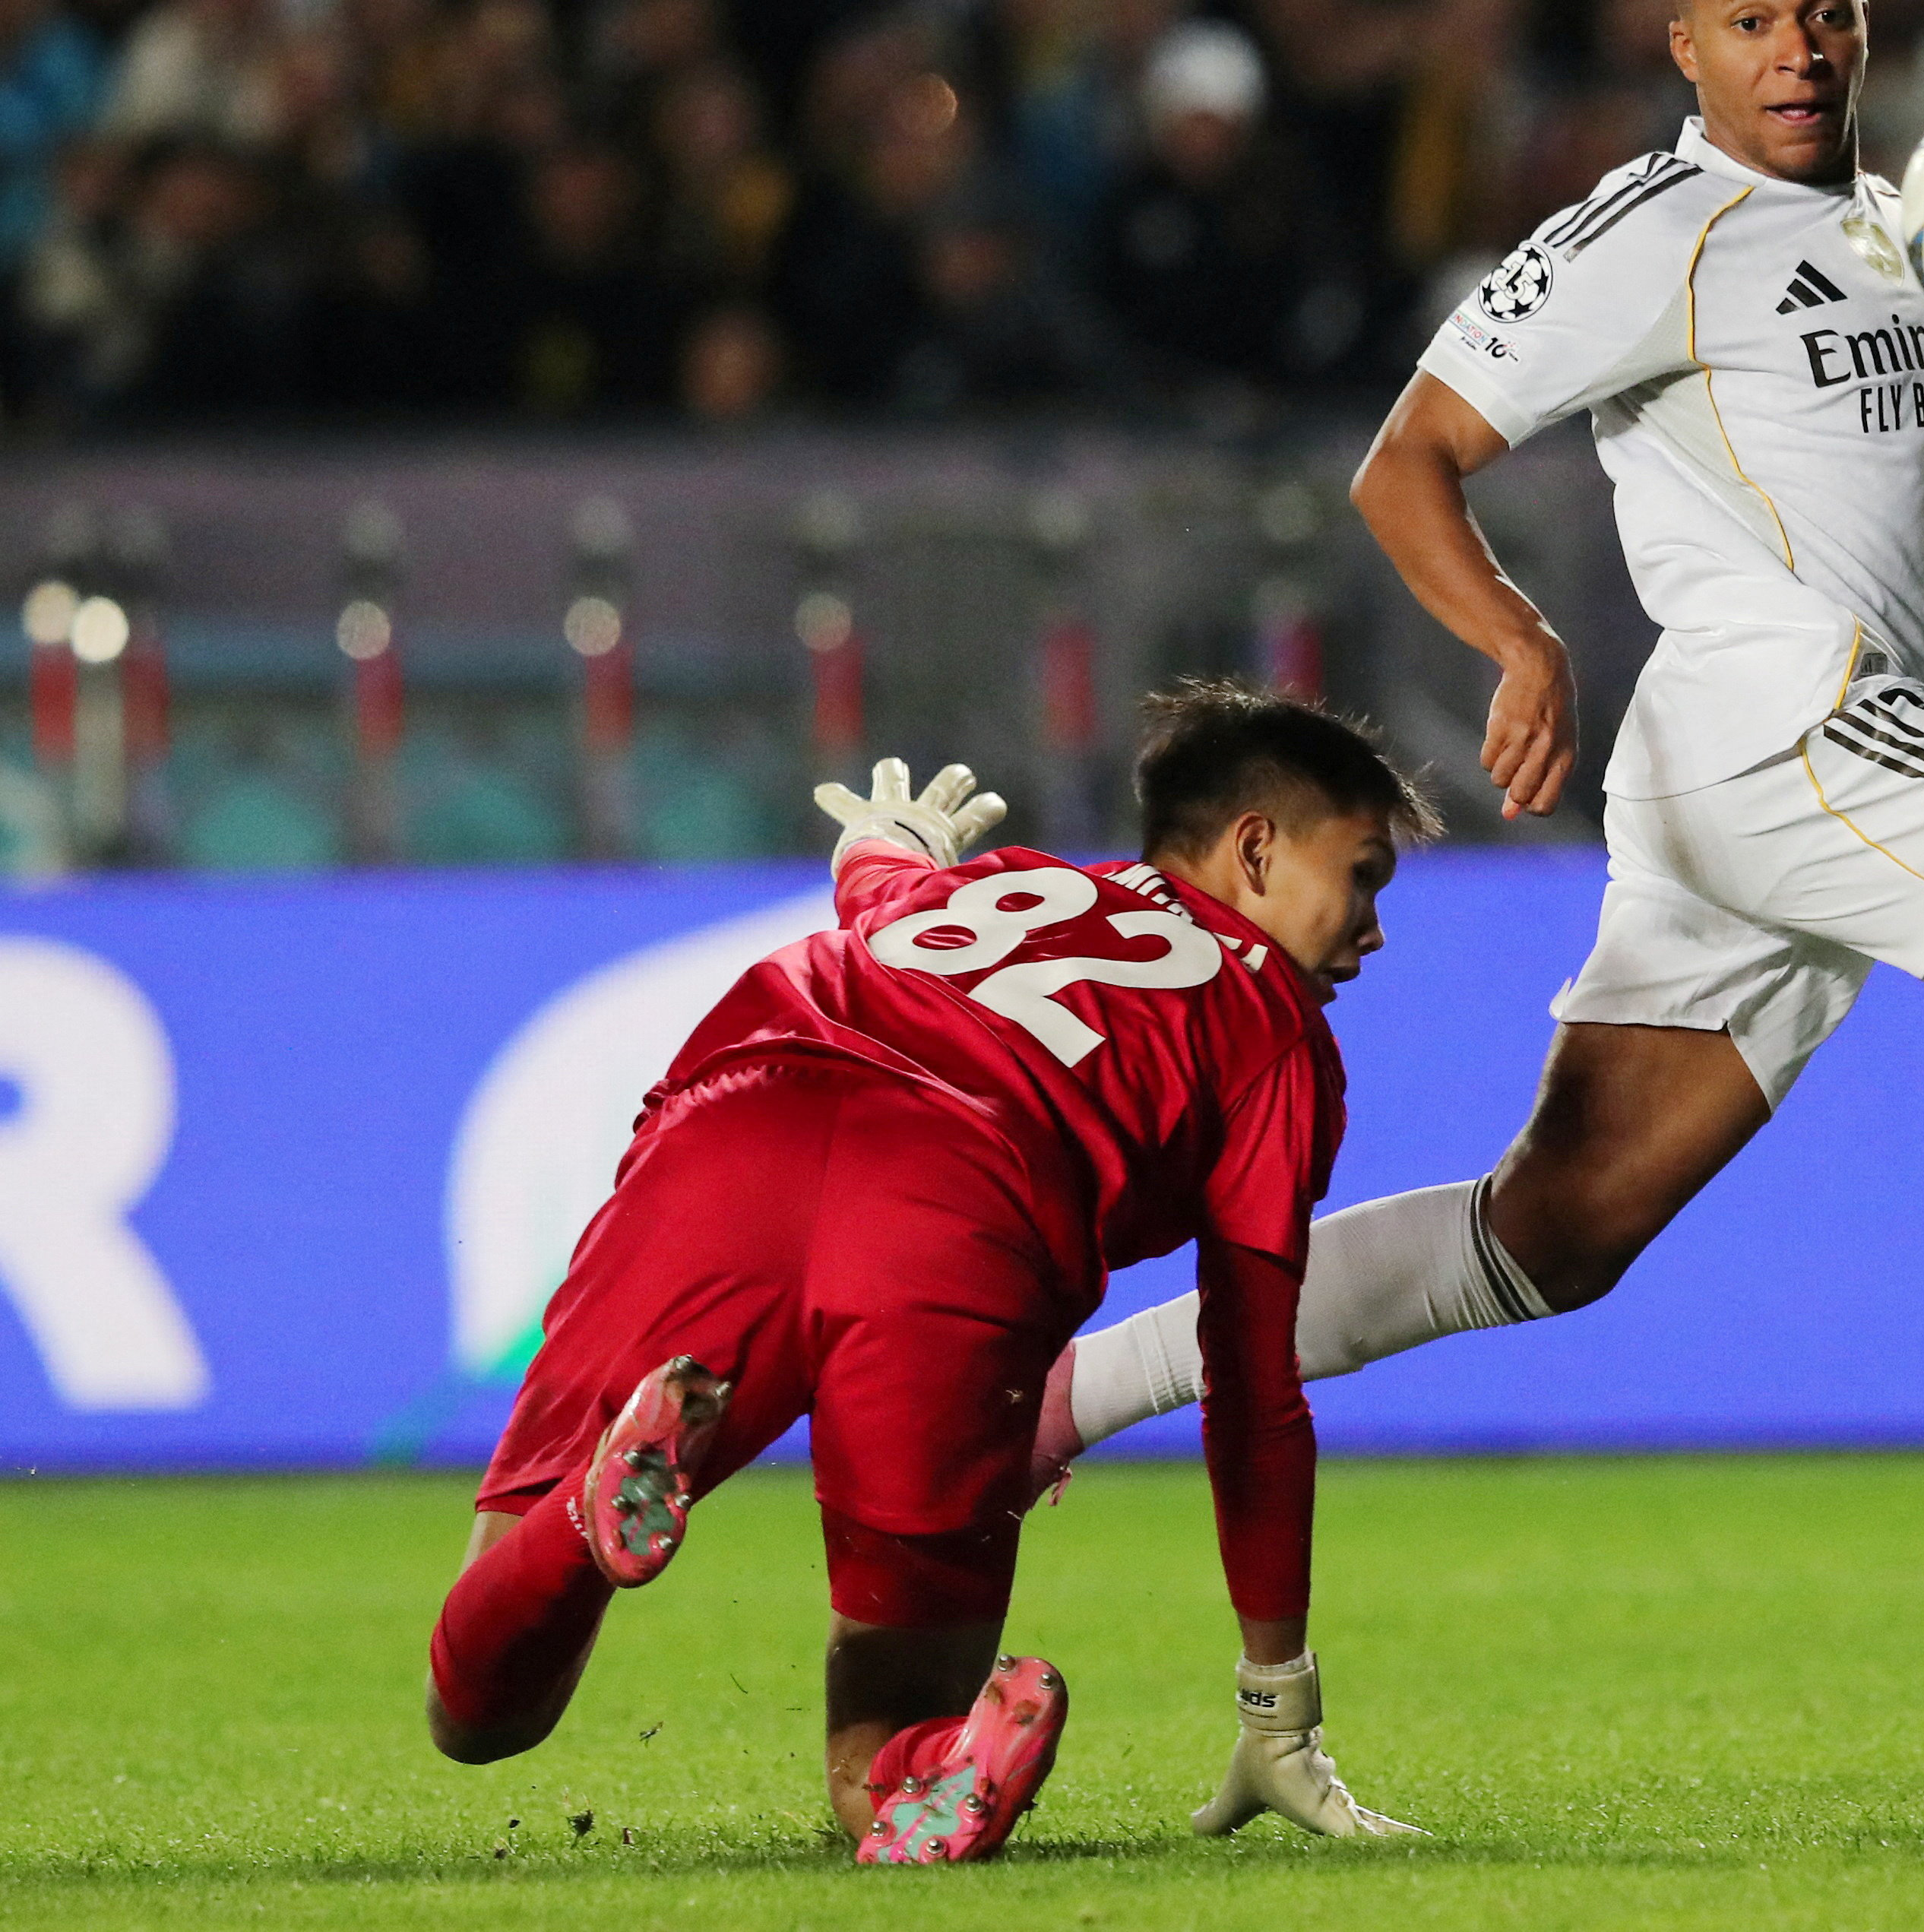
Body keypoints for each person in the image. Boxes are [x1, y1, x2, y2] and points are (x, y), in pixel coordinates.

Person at [1044, 0, 1924, 1601]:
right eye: (1749, 22)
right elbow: (1402, 459)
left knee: (1549, 1233)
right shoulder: (1648, 231)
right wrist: (1518, 637)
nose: (1793, 49)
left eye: (1823, 13)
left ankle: (1065, 1391)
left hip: (1758, 779)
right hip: (1795, 728)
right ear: (1682, 49)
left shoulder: (1896, 237)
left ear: (1859, 23)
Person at [422, 686, 1432, 1863]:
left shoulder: (1011, 884)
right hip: (957, 1221)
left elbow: (885, 892)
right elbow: (1254, 1394)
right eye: (1361, 876)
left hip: (733, 1134)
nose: (1372, 930)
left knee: (480, 1708)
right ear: (1254, 848)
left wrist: (885, 841)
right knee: (886, 1753)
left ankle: (592, 1518)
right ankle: (932, 1766)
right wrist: (1276, 1696)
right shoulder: (1275, 1035)